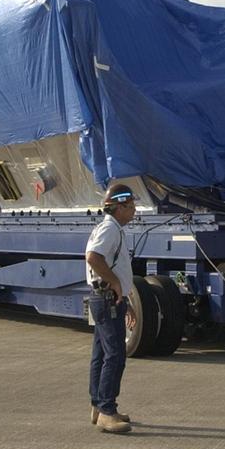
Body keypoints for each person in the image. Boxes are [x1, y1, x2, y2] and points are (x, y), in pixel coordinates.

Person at [85, 182, 139, 433]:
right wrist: (115, 284)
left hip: (106, 298)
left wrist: (124, 297)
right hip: (107, 299)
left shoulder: (110, 228)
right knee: (115, 355)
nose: (134, 210)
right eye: (131, 205)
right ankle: (107, 411)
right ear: (119, 207)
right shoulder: (110, 230)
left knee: (101, 354)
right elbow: (93, 257)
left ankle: (99, 406)